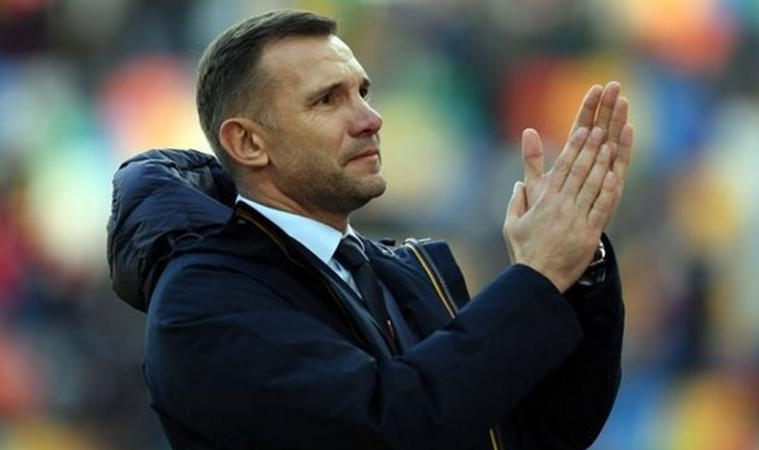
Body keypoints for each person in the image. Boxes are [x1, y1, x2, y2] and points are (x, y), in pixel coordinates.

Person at [107, 9, 634, 450]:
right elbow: (387, 427)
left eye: (363, 91)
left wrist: (576, 263)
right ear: (248, 143)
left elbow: (533, 430)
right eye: (327, 100)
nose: (370, 118)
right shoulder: (204, 300)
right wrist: (537, 277)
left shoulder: (387, 271)